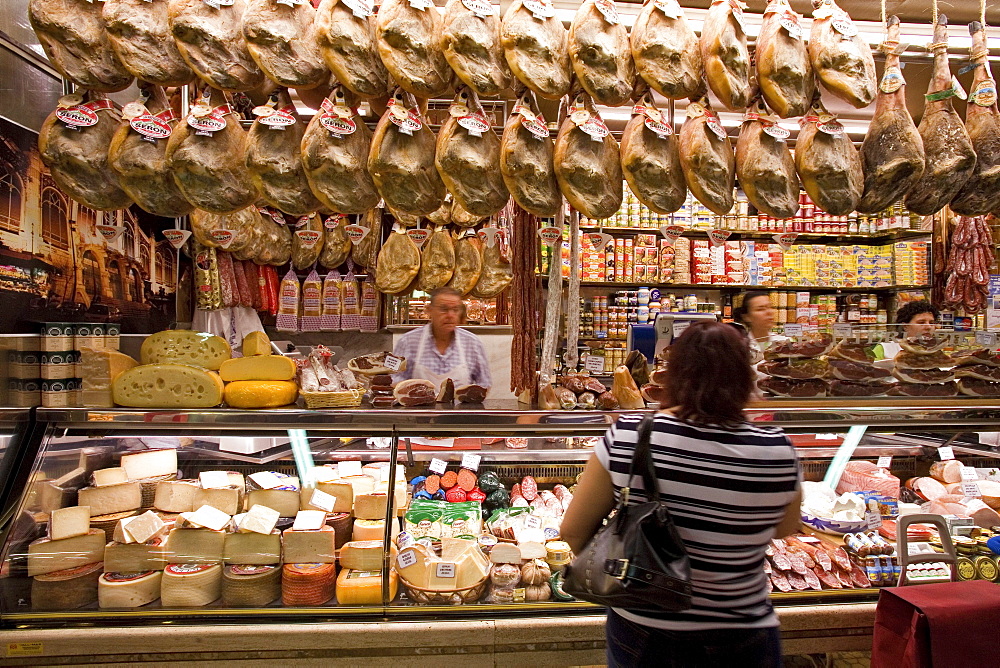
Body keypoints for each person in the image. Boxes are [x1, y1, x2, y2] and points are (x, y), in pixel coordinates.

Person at [561, 321, 802, 668]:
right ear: (744, 376)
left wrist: (613, 566)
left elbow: (571, 531)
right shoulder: (776, 449)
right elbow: (783, 528)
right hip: (743, 630)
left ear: (673, 374)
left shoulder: (630, 435)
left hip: (645, 626)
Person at [391, 287, 492, 390]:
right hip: (418, 404)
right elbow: (392, 378)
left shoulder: (473, 343)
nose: (450, 315)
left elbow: (484, 384)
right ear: (430, 310)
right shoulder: (406, 341)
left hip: (460, 406)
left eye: (455, 310)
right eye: (444, 309)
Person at [874, 300, 938, 360]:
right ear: (905, 326)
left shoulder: (937, 350)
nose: (928, 327)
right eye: (921, 322)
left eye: (931, 323)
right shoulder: (885, 349)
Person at [732, 291, 785, 364]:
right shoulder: (739, 348)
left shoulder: (785, 344)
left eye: (770, 307)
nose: (769, 312)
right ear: (746, 316)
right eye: (761, 309)